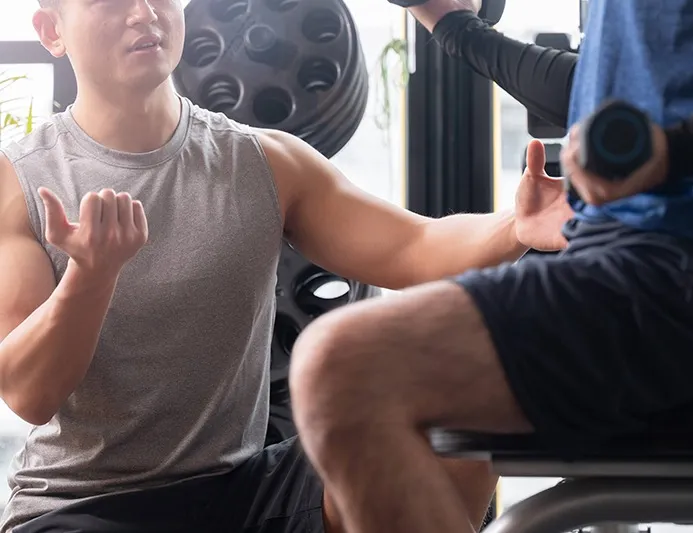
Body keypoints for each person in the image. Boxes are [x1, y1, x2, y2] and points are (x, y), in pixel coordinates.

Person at [0, 0, 574, 531]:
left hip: (244, 490)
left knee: (447, 417)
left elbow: (412, 245)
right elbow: (29, 393)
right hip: (83, 507)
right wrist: (90, 278)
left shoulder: (263, 162)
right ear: (53, 30)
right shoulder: (20, 182)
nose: (144, 12)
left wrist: (515, 227)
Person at [285, 1, 693, 533]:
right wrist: (456, 28)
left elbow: (680, 122)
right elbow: (602, 94)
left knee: (350, 371)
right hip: (655, 260)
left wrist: (682, 146)